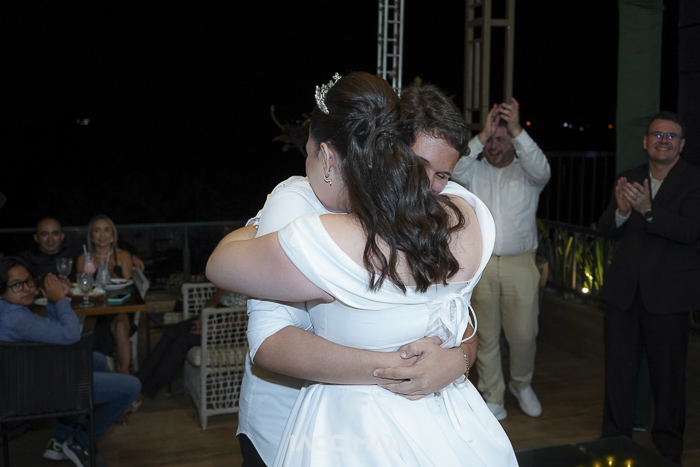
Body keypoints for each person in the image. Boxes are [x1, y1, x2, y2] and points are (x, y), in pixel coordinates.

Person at [207, 72, 517, 466]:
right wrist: (405, 369)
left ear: (328, 156)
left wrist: (457, 360)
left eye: (441, 174)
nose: (428, 184)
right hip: (292, 421)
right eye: (420, 166)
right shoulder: (298, 203)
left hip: (397, 423)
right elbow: (270, 339)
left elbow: (455, 313)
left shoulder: (434, 211)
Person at [598, 111, 700, 465]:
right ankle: (613, 441)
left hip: (668, 298)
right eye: (657, 135)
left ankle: (669, 449)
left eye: (671, 136)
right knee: (619, 373)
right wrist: (623, 211)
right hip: (623, 295)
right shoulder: (630, 177)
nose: (663, 141)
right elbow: (606, 228)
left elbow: (690, 232)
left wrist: (649, 211)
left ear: (681, 145)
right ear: (645, 141)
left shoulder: (693, 180)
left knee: (668, 378)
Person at [451, 97, 551, 421]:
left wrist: (517, 129)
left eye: (501, 140)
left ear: (514, 144)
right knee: (486, 334)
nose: (494, 146)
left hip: (520, 263)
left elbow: (543, 168)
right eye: (491, 140)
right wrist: (481, 135)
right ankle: (493, 394)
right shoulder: (474, 171)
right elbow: (455, 167)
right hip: (481, 265)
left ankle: (522, 385)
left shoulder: (528, 174)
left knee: (524, 334)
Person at [0, 256, 141, 467]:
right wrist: (61, 301)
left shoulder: (8, 310)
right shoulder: (16, 318)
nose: (27, 288)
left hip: (26, 381)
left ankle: (59, 441)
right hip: (39, 392)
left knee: (98, 361)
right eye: (16, 285)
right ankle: (80, 442)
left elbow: (52, 334)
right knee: (131, 386)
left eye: (28, 280)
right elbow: (71, 335)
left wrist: (53, 300)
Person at [77, 214, 135, 375]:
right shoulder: (84, 259)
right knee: (97, 326)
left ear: (112, 235)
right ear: (91, 236)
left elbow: (130, 288)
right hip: (93, 308)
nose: (102, 235)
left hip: (118, 306)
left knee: (120, 326)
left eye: (106, 230)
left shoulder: (123, 256)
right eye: (97, 231)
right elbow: (82, 287)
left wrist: (115, 279)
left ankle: (124, 372)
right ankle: (108, 370)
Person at [19, 217, 145, 281]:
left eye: (55, 234)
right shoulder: (26, 258)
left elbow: (103, 244)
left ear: (62, 236)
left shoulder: (73, 252)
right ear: (36, 238)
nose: (50, 239)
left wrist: (131, 256)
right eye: (44, 234)